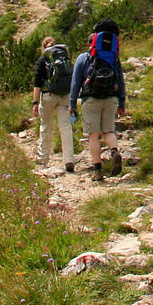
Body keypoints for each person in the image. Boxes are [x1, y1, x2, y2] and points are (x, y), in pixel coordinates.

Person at [72, 17, 127, 182]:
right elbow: (120, 81)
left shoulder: (84, 58)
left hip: (91, 99)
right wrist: (122, 102)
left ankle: (98, 170)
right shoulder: (114, 58)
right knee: (108, 131)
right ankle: (114, 150)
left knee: (93, 135)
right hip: (110, 98)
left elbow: (75, 83)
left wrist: (72, 104)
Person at [32, 36, 76, 172]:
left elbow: (37, 82)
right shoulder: (64, 57)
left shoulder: (42, 59)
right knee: (65, 126)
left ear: (43, 47)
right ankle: (69, 159)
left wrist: (35, 101)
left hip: (48, 96)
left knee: (46, 125)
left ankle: (43, 158)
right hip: (65, 95)